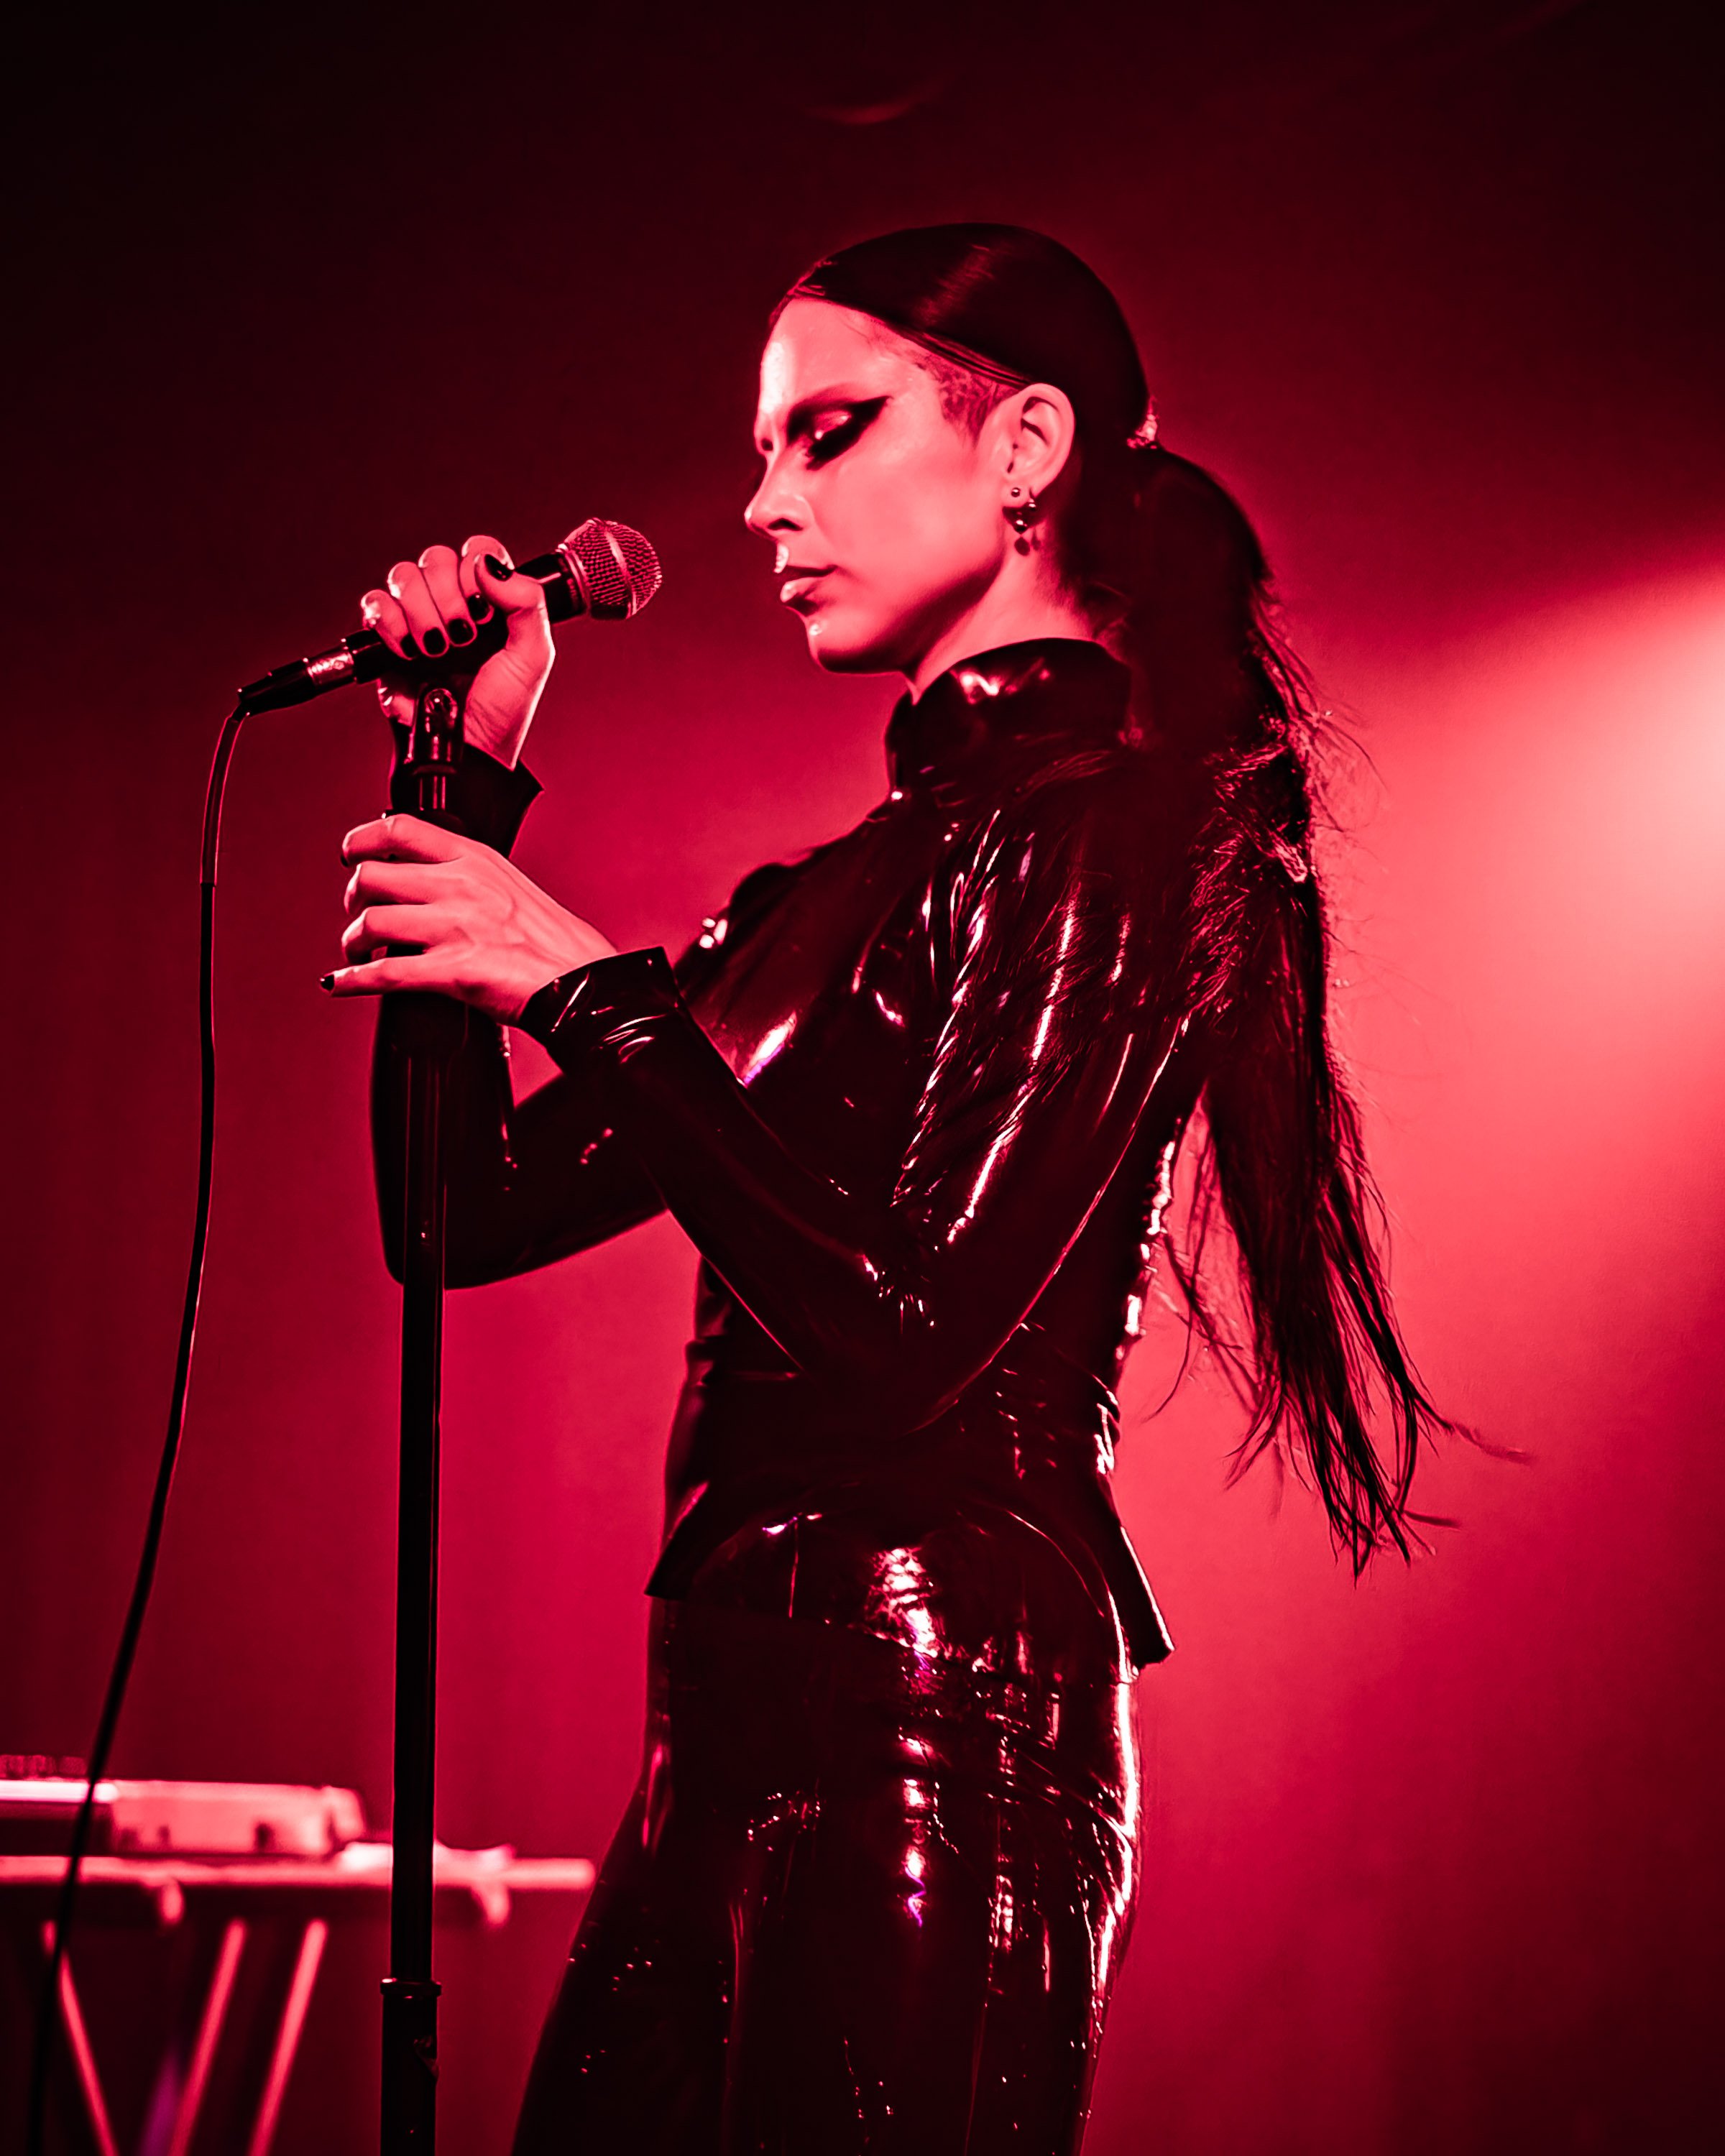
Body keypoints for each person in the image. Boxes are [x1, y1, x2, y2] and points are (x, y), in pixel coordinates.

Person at [326, 225, 1450, 2155]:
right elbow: (455, 1220)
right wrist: (462, 771)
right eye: (765, 452)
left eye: (827, 433)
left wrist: (586, 992)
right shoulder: (825, 893)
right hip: (713, 1731)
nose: (766, 505)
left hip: (942, 1716)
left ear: (1026, 447)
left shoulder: (1120, 831)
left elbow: (911, 1329)